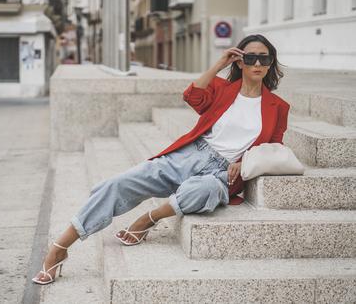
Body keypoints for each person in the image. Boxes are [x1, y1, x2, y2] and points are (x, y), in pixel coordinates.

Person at [32, 34, 290, 284]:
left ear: (271, 63)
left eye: (264, 59)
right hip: (190, 155)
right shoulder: (223, 89)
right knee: (119, 183)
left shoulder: (278, 107)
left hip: (222, 173)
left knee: (204, 191)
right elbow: (193, 97)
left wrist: (244, 162)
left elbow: (274, 147)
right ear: (240, 61)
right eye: (251, 58)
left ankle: (150, 218)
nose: (257, 64)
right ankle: (61, 246)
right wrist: (219, 65)